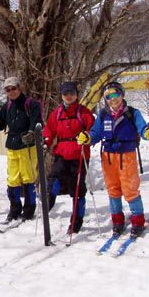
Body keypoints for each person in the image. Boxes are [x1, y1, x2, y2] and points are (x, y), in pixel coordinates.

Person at [77, 81, 149, 237]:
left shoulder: (132, 113)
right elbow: (96, 133)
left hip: (127, 156)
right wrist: (87, 138)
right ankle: (117, 221)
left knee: (130, 189)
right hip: (108, 157)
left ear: (121, 94)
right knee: (113, 190)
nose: (112, 99)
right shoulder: (103, 114)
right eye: (108, 96)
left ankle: (138, 221)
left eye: (115, 94)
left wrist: (147, 132)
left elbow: (142, 127)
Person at [0, 77, 43, 222]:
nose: (11, 92)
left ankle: (29, 209)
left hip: (27, 147)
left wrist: (31, 133)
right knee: (12, 180)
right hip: (12, 146)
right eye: (8, 90)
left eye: (13, 88)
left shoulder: (31, 104)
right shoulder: (7, 107)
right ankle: (14, 209)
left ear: (19, 88)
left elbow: (37, 122)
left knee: (28, 178)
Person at [43, 82, 95, 234]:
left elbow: (93, 130)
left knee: (77, 189)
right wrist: (46, 141)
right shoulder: (57, 113)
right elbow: (49, 131)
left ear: (76, 95)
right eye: (66, 94)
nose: (69, 96)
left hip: (79, 155)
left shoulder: (83, 112)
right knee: (53, 179)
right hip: (61, 153)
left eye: (72, 93)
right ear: (62, 95)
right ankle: (48, 202)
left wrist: (88, 136)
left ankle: (76, 221)